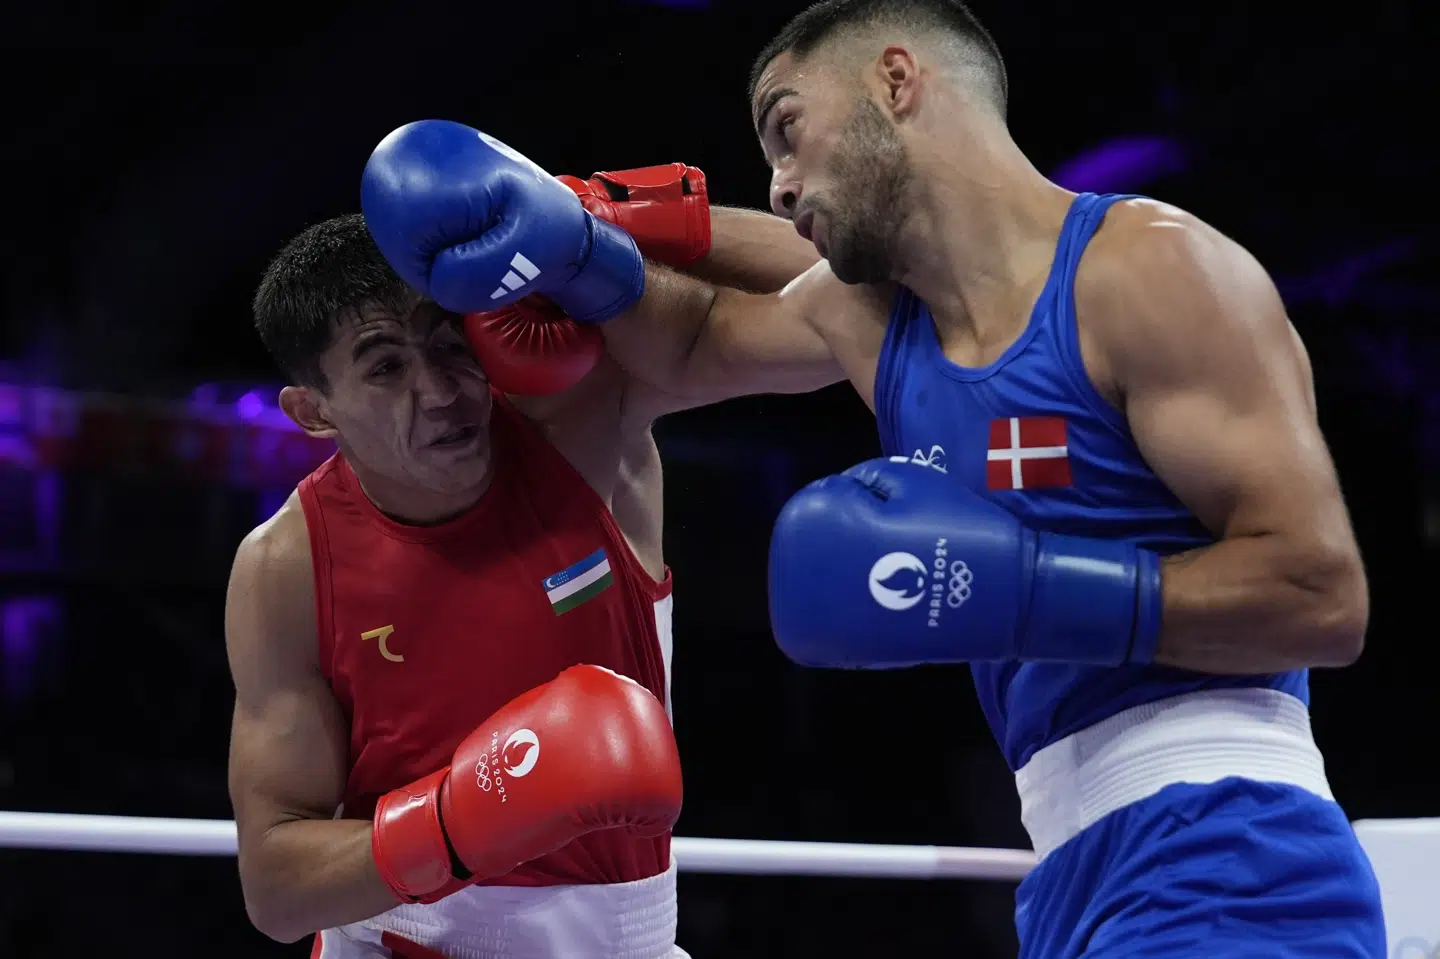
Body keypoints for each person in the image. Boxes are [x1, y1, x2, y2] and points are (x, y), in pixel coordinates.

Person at [355, 0, 1386, 955]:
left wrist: (1028, 586)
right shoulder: (883, 324)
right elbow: (692, 338)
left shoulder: (1147, 270)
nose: (780, 183)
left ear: (897, 79)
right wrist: (574, 240)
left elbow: (1321, 595)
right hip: (1074, 871)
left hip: (1235, 851)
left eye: (787, 129)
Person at [226, 189, 817, 957]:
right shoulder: (287, 563)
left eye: (449, 345)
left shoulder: (579, 426)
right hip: (391, 939)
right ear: (313, 411)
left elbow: (837, 300)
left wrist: (609, 219)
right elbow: (275, 886)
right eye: (385, 367)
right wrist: (462, 818)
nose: (440, 393)